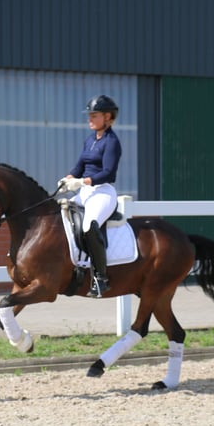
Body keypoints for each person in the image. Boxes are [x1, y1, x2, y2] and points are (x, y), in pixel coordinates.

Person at [58, 94, 123, 298]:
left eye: (94, 116)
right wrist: (67, 179)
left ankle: (100, 278)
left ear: (107, 117)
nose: (90, 119)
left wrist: (82, 182)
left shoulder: (112, 142)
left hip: (102, 192)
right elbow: (80, 167)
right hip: (84, 192)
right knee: (61, 217)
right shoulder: (89, 140)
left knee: (89, 226)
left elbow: (108, 173)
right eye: (90, 115)